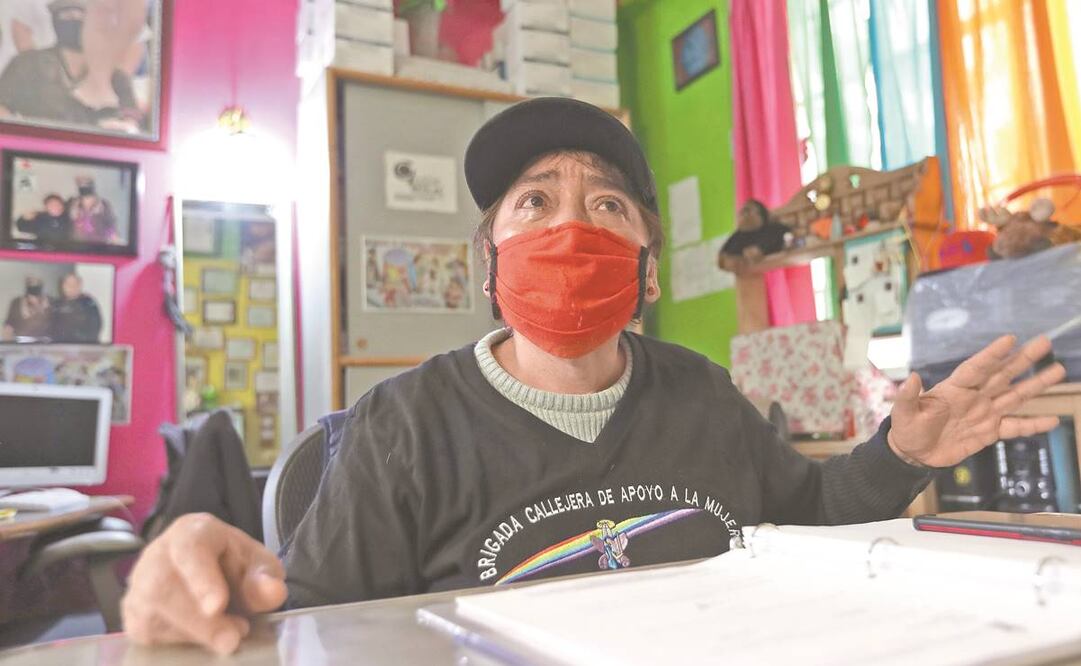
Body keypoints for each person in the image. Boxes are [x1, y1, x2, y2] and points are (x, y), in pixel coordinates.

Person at [121, 98, 1067, 655]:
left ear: (649, 273)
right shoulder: (400, 427)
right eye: (533, 202)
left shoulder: (701, 393)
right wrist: (209, 586)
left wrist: (900, 452)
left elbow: (809, 516)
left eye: (607, 206)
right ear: (487, 264)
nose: (570, 228)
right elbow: (312, 632)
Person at [0, 0, 141, 132]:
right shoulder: (28, 64)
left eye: (81, 15)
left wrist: (119, 128)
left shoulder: (115, 77)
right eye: (66, 15)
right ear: (55, 21)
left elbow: (131, 124)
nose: (74, 20)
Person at [50, 272, 102, 343]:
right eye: (68, 284)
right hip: (60, 346)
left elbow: (94, 328)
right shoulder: (56, 304)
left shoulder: (88, 303)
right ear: (62, 286)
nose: (71, 287)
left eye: (75, 284)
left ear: (80, 285)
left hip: (82, 346)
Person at [69, 176, 118, 244]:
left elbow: (110, 224)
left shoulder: (103, 204)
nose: (84, 186)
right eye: (81, 184)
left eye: (86, 184)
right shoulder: (73, 204)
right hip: (78, 244)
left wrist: (113, 239)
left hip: (99, 243)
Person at [3, 276, 51, 341]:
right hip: (21, 342)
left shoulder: (49, 302)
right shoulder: (16, 302)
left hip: (43, 343)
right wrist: (8, 344)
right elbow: (8, 326)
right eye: (31, 283)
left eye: (37, 283)